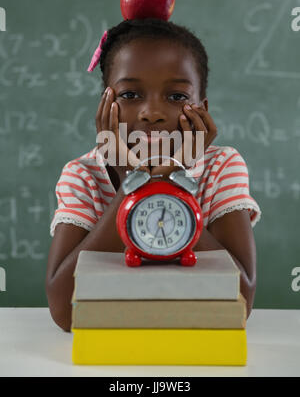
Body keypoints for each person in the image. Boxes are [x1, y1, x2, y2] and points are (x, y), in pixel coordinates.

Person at [46, 18, 261, 332]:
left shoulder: (221, 167)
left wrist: (165, 183)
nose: (152, 112)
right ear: (105, 105)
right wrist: (131, 187)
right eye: (130, 95)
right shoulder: (83, 175)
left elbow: (239, 300)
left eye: (176, 97)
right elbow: (65, 311)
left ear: (203, 109)